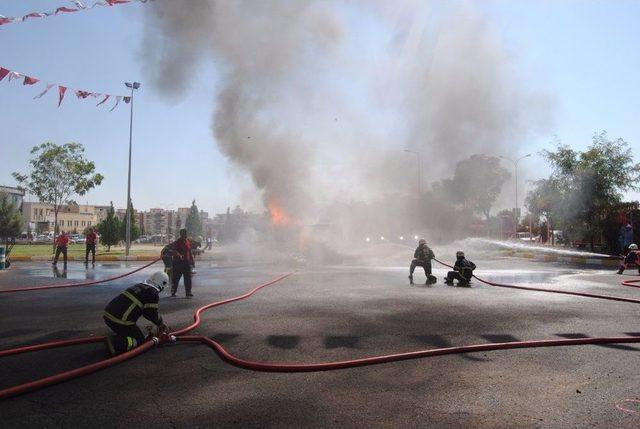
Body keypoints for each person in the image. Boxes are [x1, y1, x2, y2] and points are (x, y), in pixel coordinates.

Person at [103, 271, 170, 356]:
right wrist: (161, 323)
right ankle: (115, 342)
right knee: (139, 340)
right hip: (120, 321)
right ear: (163, 284)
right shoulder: (153, 292)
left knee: (134, 331)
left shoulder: (139, 286)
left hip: (108, 315)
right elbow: (150, 313)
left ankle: (121, 337)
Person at [168, 228, 194, 298]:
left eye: (185, 234)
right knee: (176, 278)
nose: (184, 235)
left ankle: (188, 292)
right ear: (180, 234)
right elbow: (174, 250)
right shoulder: (177, 242)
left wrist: (192, 261)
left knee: (188, 278)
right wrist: (179, 255)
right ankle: (173, 291)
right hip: (178, 263)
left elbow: (190, 251)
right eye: (183, 234)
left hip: (186, 262)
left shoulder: (187, 242)